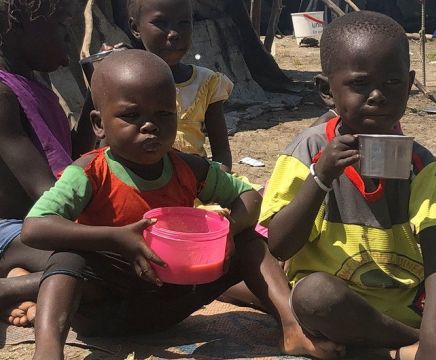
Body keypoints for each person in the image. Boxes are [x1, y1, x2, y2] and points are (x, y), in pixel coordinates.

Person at [259, 11, 436, 359]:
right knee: (314, 296)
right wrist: (321, 177)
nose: (378, 96)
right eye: (360, 84)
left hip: (414, 296)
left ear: (409, 85)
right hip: (346, 305)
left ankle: (427, 339)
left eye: (393, 84)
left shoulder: (417, 161)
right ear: (326, 90)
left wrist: (435, 324)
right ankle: (423, 343)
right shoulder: (307, 150)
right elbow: (279, 245)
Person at [21, 50, 342, 360]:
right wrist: (115, 238)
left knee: (249, 241)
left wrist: (229, 231)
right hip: (104, 310)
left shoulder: (189, 167)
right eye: (131, 115)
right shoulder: (89, 173)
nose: (150, 126)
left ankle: (293, 327)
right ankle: (48, 349)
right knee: (68, 258)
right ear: (99, 123)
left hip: (171, 301)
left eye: (164, 114)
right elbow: (35, 228)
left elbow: (249, 198)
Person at [0, 0, 96, 327]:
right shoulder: (2, 94)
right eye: (61, 25)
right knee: (100, 265)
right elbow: (48, 193)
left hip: (39, 227)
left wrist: (98, 92)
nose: (68, 36)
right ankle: (10, 284)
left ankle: (21, 278)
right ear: (17, 22)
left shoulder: (38, 86)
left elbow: (74, 154)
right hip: (11, 228)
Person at [128, 0, 233, 171]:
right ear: (135, 28)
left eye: (184, 23)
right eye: (160, 23)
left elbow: (222, 154)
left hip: (195, 186)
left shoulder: (206, 83)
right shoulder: (126, 83)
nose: (174, 33)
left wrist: (218, 185)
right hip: (145, 188)